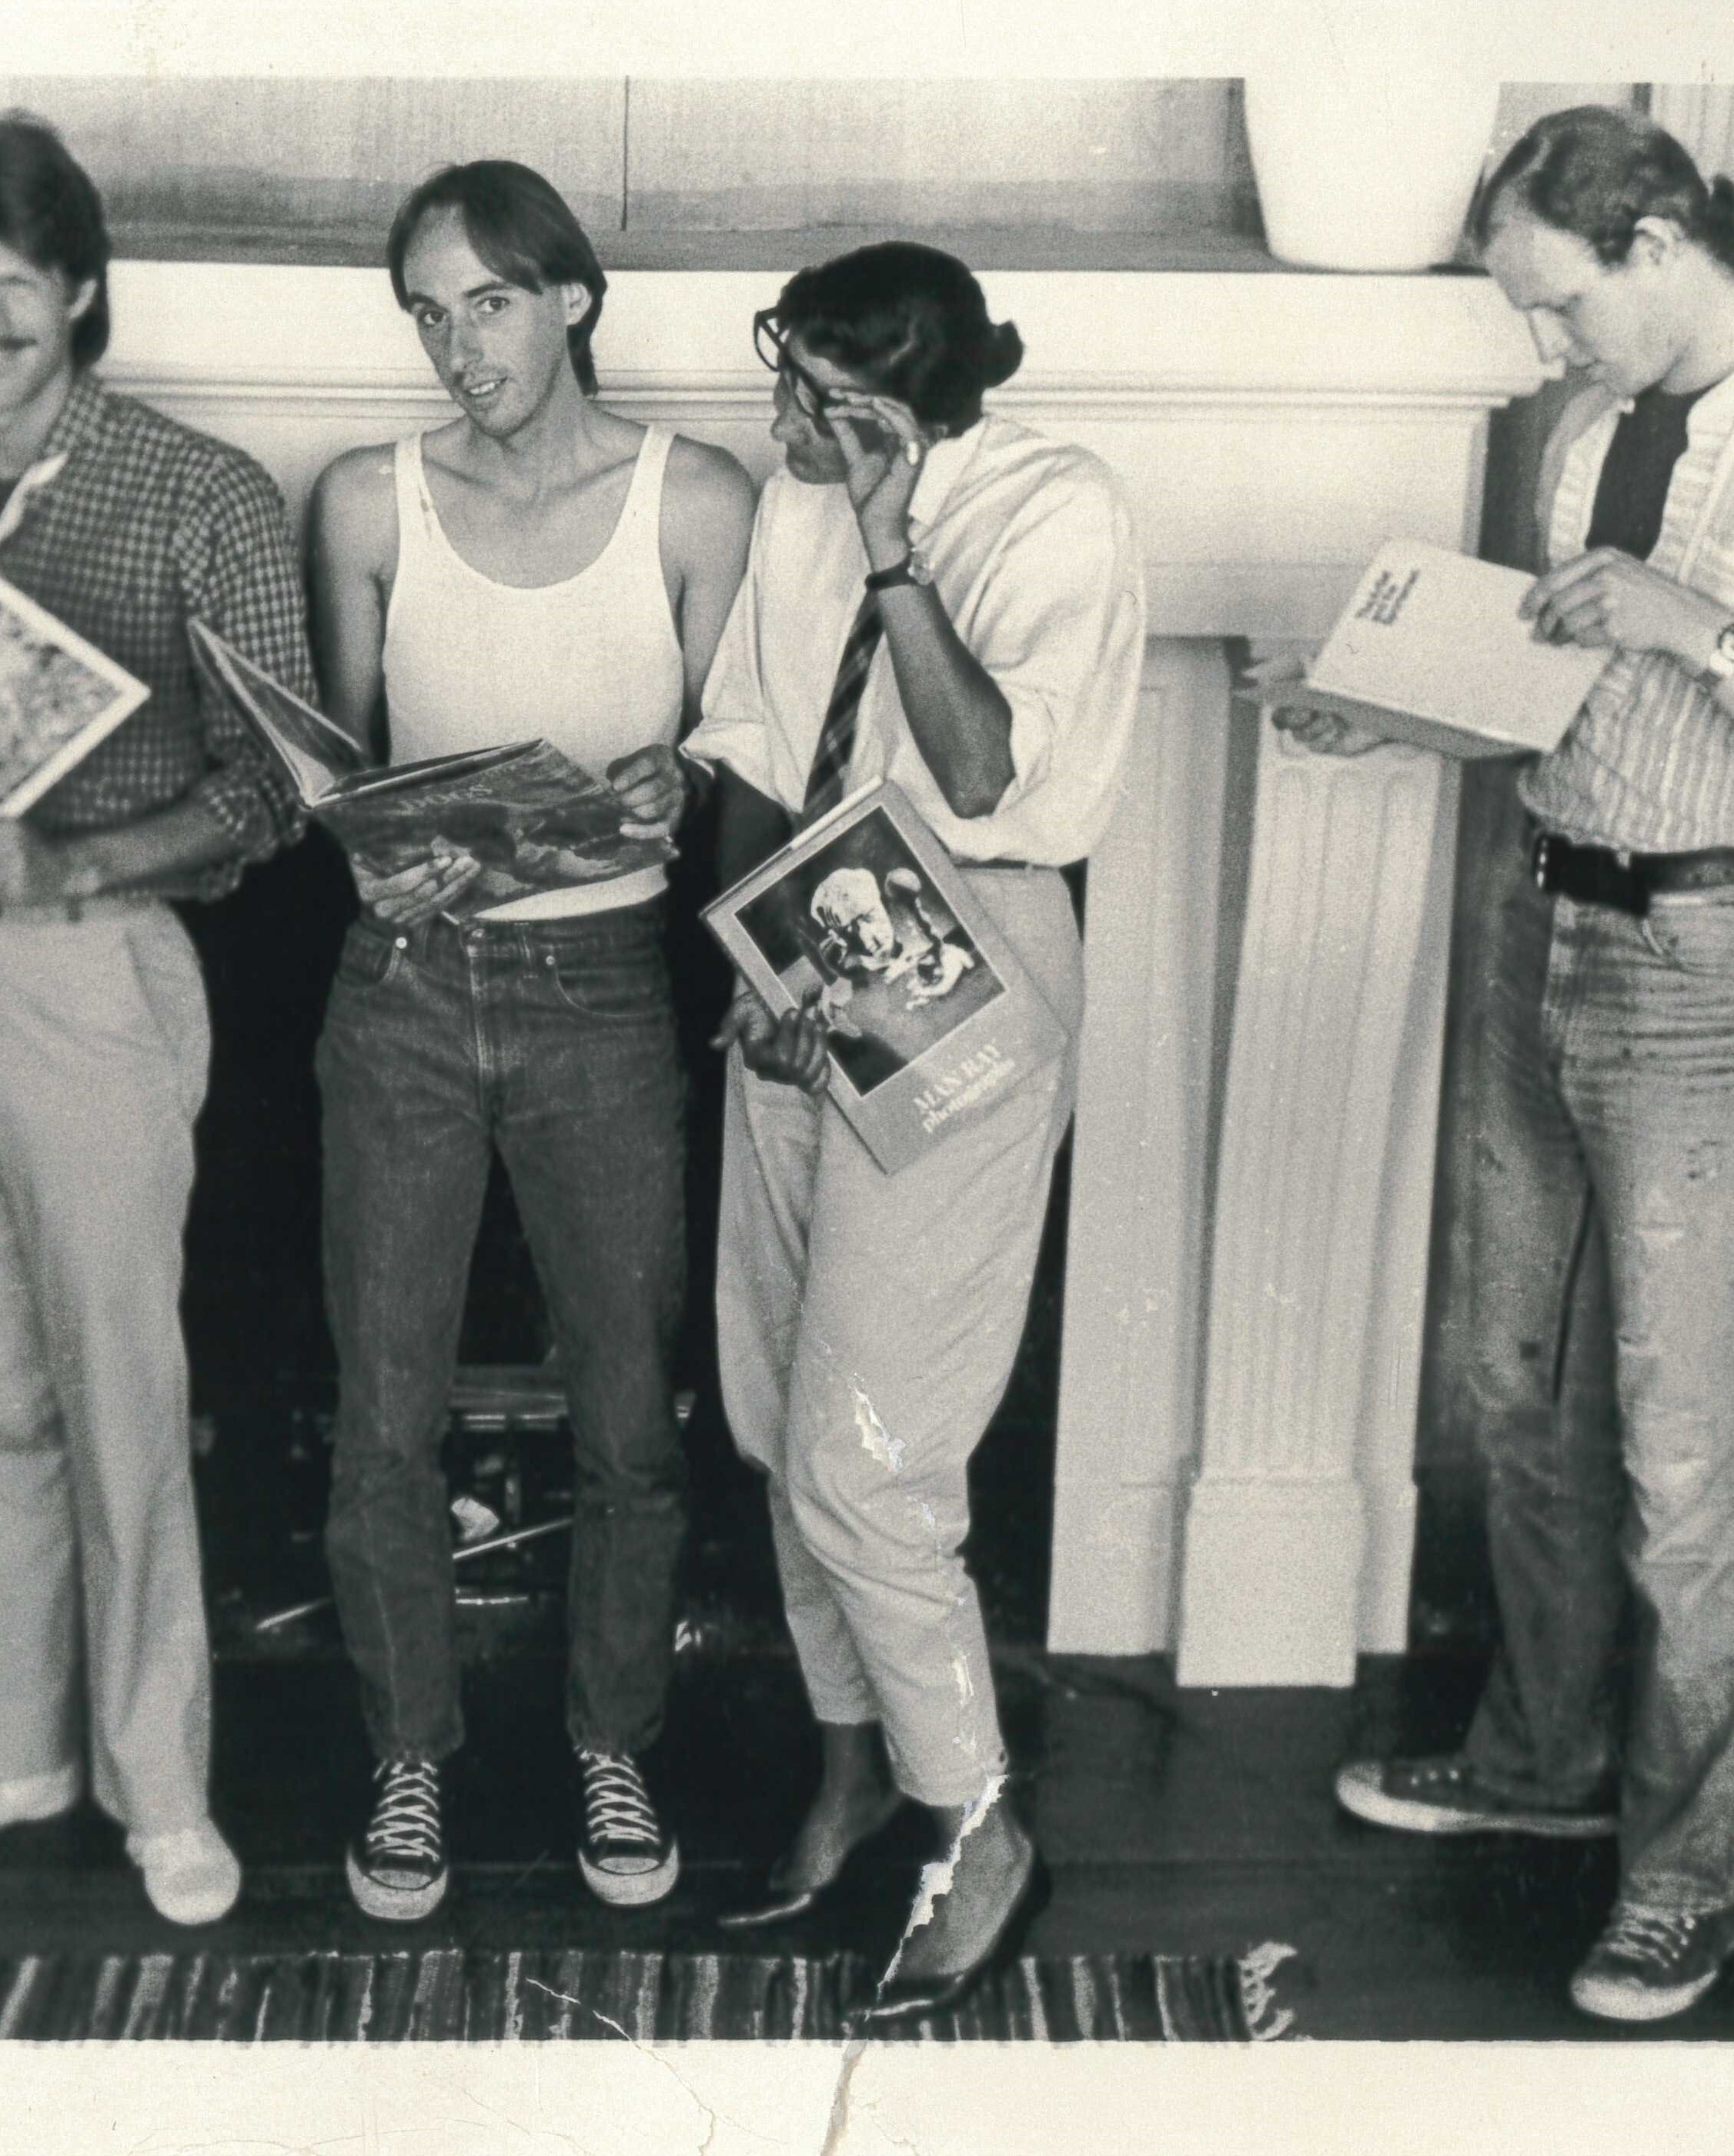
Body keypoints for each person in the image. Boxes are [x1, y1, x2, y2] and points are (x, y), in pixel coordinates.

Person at [1309, 107, 1734, 2023]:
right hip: (1548, 928)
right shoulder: (1593, 435)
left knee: (1682, 1464)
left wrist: (1706, 631)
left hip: (1709, 973)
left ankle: (1692, 1877)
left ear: (1659, 238)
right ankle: (1535, 1773)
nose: (1540, 353)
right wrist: (1391, 711)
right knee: (1515, 1401)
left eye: (1555, 305)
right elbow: (1563, 705)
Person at [0, 115, 312, 1928]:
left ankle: (161, 1788)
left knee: (123, 1398)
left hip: (100, 969)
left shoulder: (201, 493)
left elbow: (275, 789)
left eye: (11, 285)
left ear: (81, 288)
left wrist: (82, 857)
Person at [682, 242, 1144, 2024]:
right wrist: (743, 958)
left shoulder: (1056, 508)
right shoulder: (799, 496)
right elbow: (751, 740)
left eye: (816, 399)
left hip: (970, 945)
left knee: (867, 1457)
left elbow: (974, 776)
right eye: (776, 376)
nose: (780, 422)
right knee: (769, 1402)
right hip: (808, 948)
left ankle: (982, 1822)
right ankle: (854, 1772)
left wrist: (891, 541)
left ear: (909, 405)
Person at [301, 162, 757, 1921]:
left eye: (484, 300)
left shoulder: (693, 498)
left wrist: (679, 779)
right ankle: (408, 1758)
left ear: (569, 295)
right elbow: (333, 767)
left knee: (629, 1414)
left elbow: (741, 758)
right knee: (383, 1411)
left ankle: (611, 1744)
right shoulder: (367, 501)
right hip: (404, 994)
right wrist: (372, 841)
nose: (453, 344)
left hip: (605, 991)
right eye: (423, 311)